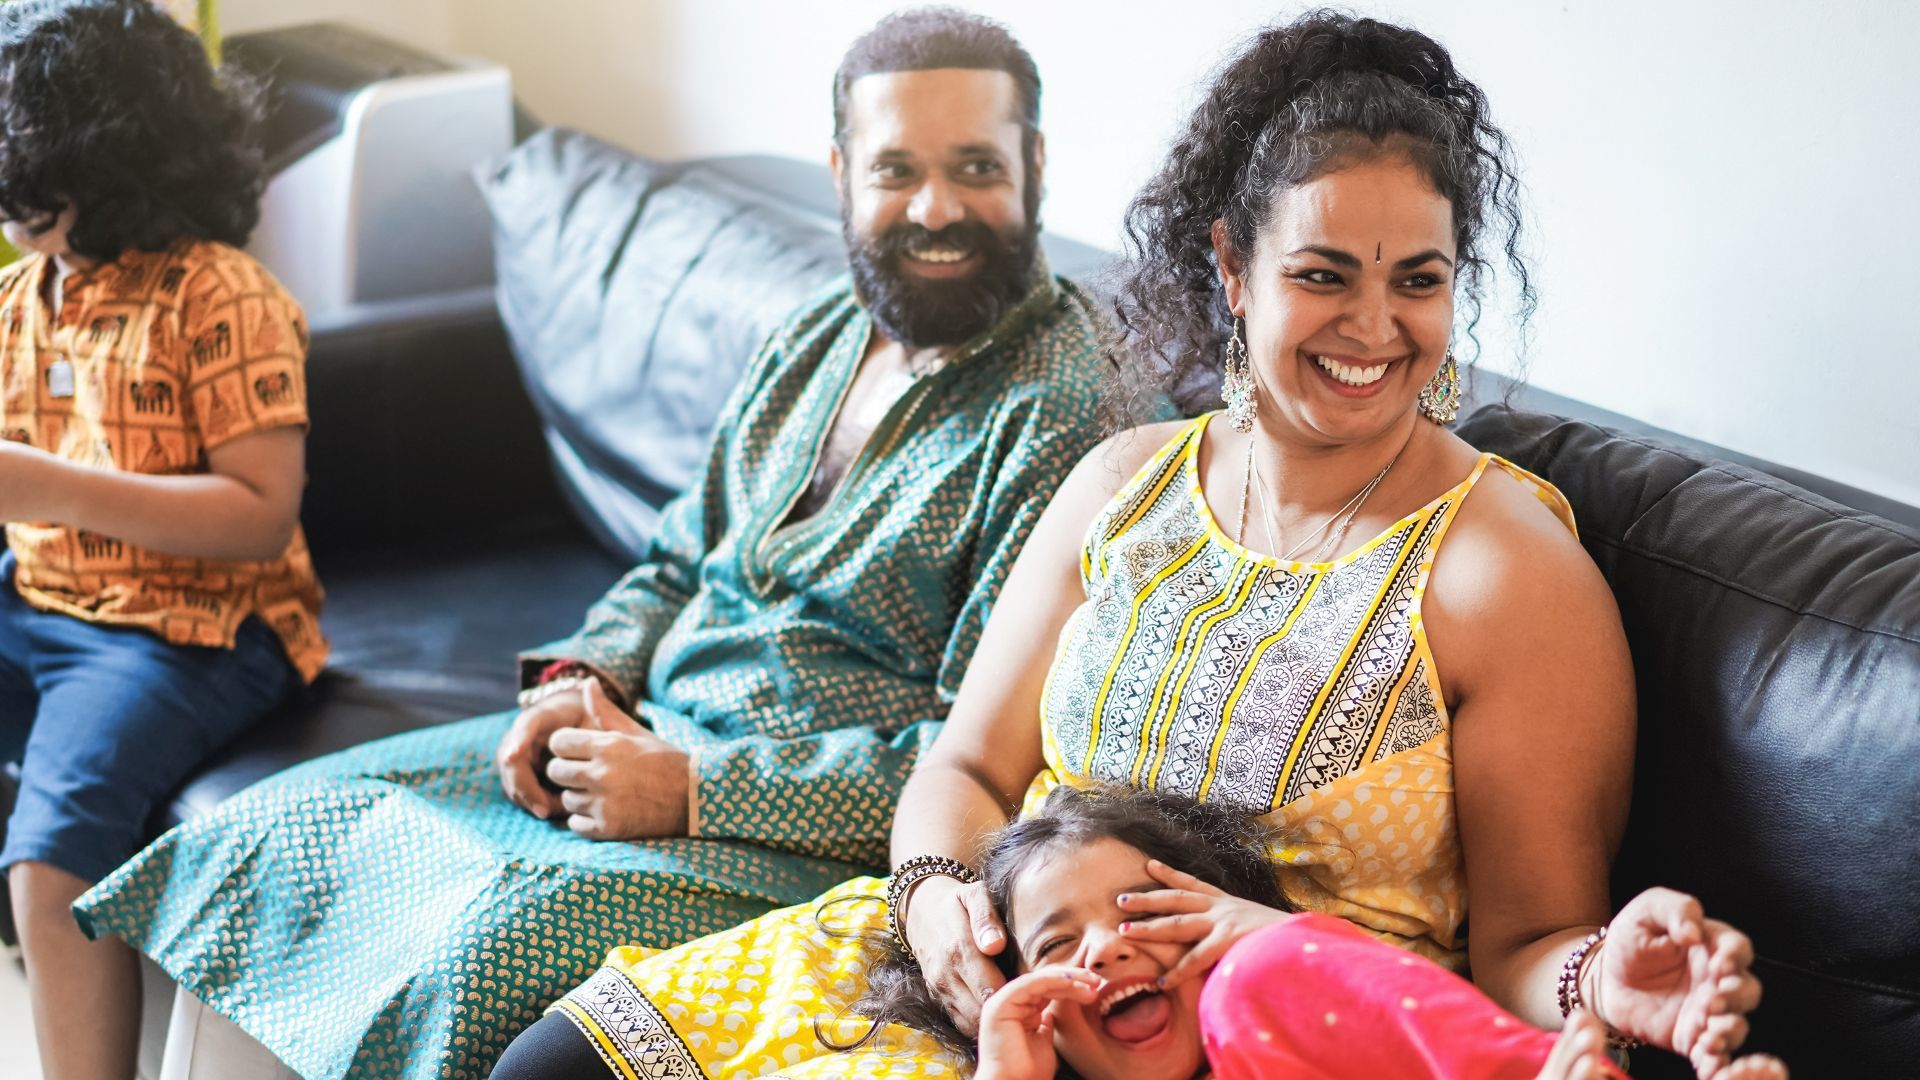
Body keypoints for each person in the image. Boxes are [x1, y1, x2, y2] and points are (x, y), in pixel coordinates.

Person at [486, 12, 1770, 1080]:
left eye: (1418, 280)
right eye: (1324, 274)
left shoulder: (1506, 574)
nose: (1376, 328)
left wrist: (1609, 977)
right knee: (549, 1065)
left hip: (1236, 1043)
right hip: (972, 986)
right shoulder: (1125, 483)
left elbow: (1530, 948)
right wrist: (934, 901)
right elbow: (965, 767)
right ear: (1232, 267)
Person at [71, 7, 1110, 1078]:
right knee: (276, 833)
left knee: (477, 953)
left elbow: (979, 760)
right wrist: (578, 680)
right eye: (897, 170)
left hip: (781, 838)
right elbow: (675, 561)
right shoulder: (820, 333)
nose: (935, 208)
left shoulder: (1066, 415)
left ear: (1033, 165)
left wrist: (692, 785)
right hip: (633, 741)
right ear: (843, 175)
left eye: (975, 167)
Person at [0, 2, 327, 1078]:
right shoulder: (25, 296)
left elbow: (260, 512)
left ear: (99, 158)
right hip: (40, 592)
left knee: (54, 864)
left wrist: (44, 485)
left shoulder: (220, 295)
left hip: (189, 628)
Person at [871, 785, 1787, 1080]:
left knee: (1259, 983)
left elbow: (1398, 1022)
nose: (1106, 951)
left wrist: (1287, 942)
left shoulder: (1274, 1021)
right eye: (1055, 949)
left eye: (1144, 912)